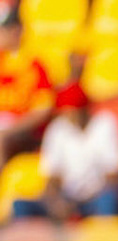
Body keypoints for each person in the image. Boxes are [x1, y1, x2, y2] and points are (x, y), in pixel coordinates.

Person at [14, 85, 118, 220]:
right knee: (21, 205)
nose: (68, 115)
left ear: (83, 108)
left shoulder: (104, 123)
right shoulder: (58, 128)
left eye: (72, 110)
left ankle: (105, 232)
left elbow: (113, 174)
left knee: (108, 200)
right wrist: (57, 201)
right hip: (67, 198)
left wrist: (89, 197)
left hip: (96, 197)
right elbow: (52, 175)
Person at [0, 7, 53, 162]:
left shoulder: (34, 66)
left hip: (22, 129)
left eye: (3, 30)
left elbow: (42, 111)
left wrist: (10, 130)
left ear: (16, 31)